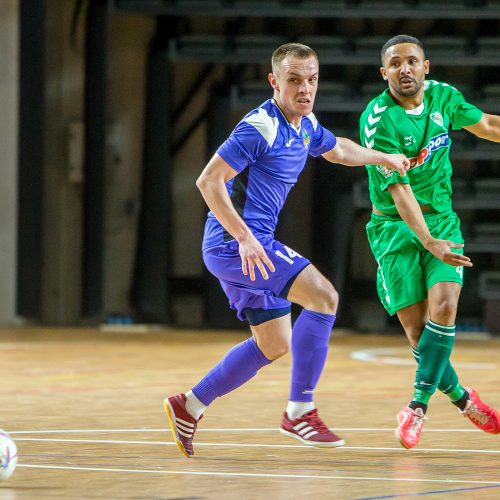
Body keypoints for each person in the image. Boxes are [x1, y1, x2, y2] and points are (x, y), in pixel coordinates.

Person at [165, 42, 409, 458]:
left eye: (311, 79)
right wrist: (245, 238)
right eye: (294, 80)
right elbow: (208, 182)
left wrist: (381, 156)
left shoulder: (306, 124)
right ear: (274, 82)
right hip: (235, 244)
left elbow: (338, 150)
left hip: (246, 246)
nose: (305, 89)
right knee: (324, 296)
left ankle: (189, 405)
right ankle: (300, 411)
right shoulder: (259, 127)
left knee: (274, 342)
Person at [359, 34, 500, 449]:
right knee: (418, 332)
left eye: (412, 61)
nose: (405, 68)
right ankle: (461, 398)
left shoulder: (444, 98)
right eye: (395, 63)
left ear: (426, 66)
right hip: (395, 228)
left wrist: (438, 237)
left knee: (446, 305)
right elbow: (400, 193)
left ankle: (416, 407)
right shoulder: (378, 119)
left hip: (440, 218)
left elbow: (489, 125)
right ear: (383, 73)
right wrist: (427, 240)